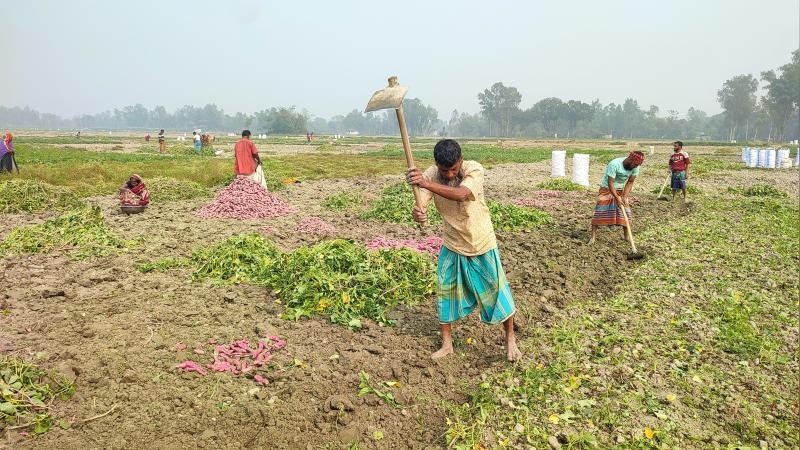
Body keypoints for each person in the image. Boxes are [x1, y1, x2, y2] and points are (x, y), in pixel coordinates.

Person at [406, 139, 521, 362]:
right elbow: (421, 204)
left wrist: (425, 183)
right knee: (445, 291)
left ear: (461, 160)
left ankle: (510, 340)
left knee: (497, 291)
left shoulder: (474, 169)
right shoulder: (431, 175)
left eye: (453, 169)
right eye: (444, 170)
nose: (449, 174)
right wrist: (417, 213)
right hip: (452, 243)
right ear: (436, 165)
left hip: (480, 241)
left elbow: (461, 193)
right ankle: (447, 344)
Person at [588, 151, 645, 244]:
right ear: (630, 159)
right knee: (600, 211)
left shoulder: (636, 167)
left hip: (620, 190)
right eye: (635, 164)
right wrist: (616, 197)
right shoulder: (614, 164)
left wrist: (624, 196)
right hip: (606, 188)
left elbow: (630, 182)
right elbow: (610, 182)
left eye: (637, 165)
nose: (635, 167)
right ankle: (593, 237)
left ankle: (626, 237)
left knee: (626, 212)